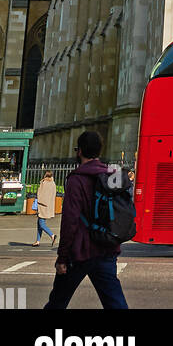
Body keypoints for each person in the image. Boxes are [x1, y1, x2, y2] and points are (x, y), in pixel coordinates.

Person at [43, 130, 128, 310]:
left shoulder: (77, 179)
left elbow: (70, 222)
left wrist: (62, 257)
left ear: (79, 151)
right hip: (106, 248)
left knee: (57, 302)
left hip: (80, 252)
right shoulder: (111, 175)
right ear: (99, 151)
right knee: (115, 303)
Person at [34, 172, 58, 247]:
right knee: (39, 223)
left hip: (42, 205)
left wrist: (38, 201)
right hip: (49, 206)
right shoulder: (53, 184)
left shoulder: (44, 183)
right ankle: (37, 241)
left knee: (41, 223)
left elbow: (40, 194)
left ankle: (52, 235)